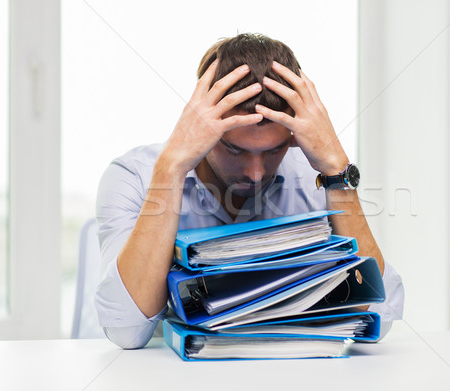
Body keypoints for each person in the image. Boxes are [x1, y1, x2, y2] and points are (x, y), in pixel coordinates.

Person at [95, 33, 404, 349]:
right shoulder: (133, 177)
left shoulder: (315, 177)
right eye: (234, 149)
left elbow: (380, 317)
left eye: (275, 149)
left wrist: (337, 171)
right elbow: (127, 332)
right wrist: (171, 168)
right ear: (201, 125)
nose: (256, 173)